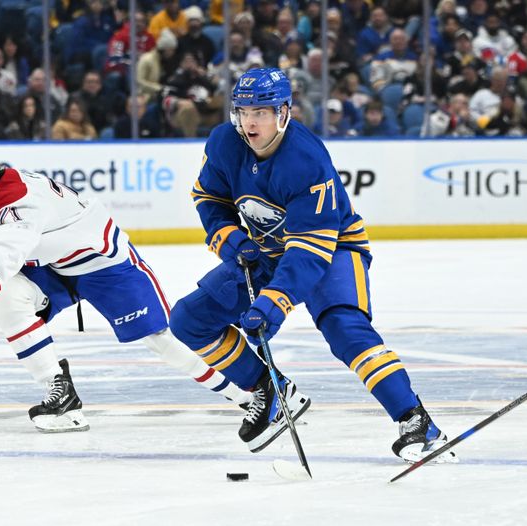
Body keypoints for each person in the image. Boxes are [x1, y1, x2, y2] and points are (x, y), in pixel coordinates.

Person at [168, 67, 456, 464]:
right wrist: (232, 240)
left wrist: (273, 303)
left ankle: (416, 420)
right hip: (264, 249)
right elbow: (209, 197)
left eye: (262, 111)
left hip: (333, 247)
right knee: (188, 319)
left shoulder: (306, 158)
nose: (250, 122)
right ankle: (271, 391)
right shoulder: (223, 142)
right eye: (243, 111)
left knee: (344, 328)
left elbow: (309, 251)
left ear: (284, 112)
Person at [0, 138, 250, 432]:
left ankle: (247, 395)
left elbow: (5, 251)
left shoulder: (18, 201)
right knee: (7, 299)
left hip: (102, 262)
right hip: (54, 266)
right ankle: (59, 392)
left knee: (162, 338)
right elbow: (3, 259)